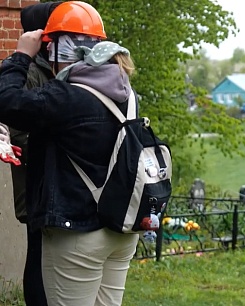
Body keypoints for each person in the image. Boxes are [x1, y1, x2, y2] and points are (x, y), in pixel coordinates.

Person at [0, 1, 138, 305]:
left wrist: (21, 55)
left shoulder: (66, 96)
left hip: (78, 234)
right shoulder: (125, 92)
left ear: (57, 50)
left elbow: (6, 101)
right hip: (120, 229)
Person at [0, 3, 63, 305]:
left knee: (47, 256)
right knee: (37, 253)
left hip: (49, 179)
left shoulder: (49, 67)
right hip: (34, 179)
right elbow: (17, 130)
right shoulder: (28, 71)